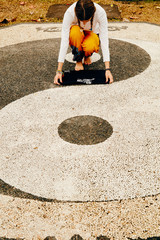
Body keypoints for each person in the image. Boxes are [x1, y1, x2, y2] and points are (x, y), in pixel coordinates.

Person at [54, 0, 114, 85]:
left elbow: (104, 40)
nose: (84, 23)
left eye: (87, 20)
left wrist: (107, 69)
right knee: (74, 33)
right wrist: (59, 70)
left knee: (90, 45)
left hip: (92, 33)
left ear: (93, 13)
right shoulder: (70, 13)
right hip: (77, 33)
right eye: (81, 20)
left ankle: (87, 55)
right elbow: (64, 40)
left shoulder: (100, 12)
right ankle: (78, 60)